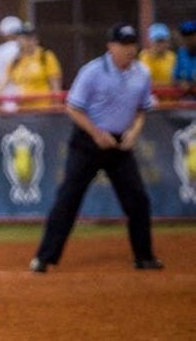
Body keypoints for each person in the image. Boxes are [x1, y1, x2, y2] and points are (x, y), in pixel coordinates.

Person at [29, 23, 163, 273]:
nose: (128, 49)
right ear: (110, 46)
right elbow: (73, 107)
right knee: (68, 198)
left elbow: (142, 108)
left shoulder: (141, 73)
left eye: (132, 44)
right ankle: (44, 258)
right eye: (123, 44)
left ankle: (144, 257)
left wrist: (133, 133)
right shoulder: (92, 71)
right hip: (88, 143)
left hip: (120, 145)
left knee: (138, 200)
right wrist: (96, 134)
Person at [0, 23, 62, 109]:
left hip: (43, 109)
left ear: (36, 40)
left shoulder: (45, 57)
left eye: (30, 38)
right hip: (21, 110)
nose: (26, 41)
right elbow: (1, 85)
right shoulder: (15, 61)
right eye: (23, 38)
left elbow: (56, 86)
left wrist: (56, 108)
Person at [138, 23, 175, 88]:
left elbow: (175, 81)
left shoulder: (172, 57)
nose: (160, 44)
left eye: (163, 40)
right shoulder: (144, 56)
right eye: (157, 41)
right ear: (150, 41)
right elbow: (145, 82)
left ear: (167, 42)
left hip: (170, 97)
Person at [173, 20, 196, 97]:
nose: (188, 39)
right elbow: (175, 77)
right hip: (185, 100)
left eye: (192, 34)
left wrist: (192, 84)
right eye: (185, 36)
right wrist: (181, 83)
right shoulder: (181, 53)